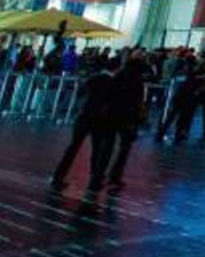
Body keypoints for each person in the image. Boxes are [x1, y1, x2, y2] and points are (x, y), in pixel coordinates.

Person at [50, 57, 119, 190]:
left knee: (73, 147)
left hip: (85, 115)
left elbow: (80, 93)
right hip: (100, 118)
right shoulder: (113, 82)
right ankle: (95, 179)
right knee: (97, 148)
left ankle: (58, 176)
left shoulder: (94, 78)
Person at [98, 51, 152, 187]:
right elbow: (139, 101)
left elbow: (108, 95)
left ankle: (99, 174)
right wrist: (141, 116)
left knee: (108, 147)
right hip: (128, 117)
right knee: (124, 148)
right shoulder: (138, 82)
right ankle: (115, 175)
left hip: (113, 114)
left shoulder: (118, 76)